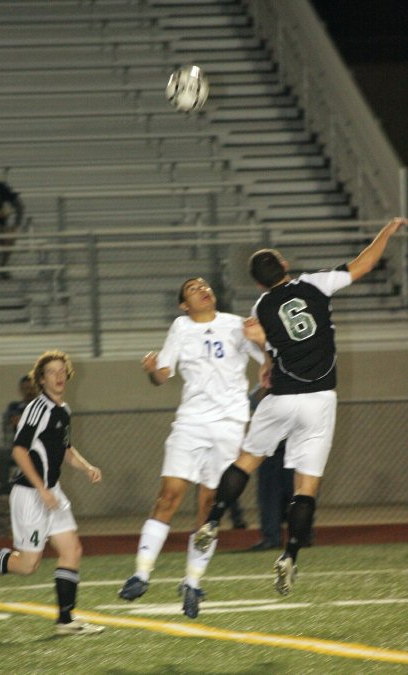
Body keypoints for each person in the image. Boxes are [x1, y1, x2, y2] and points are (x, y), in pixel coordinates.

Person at [194, 217, 406, 595]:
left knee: (247, 460)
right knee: (305, 487)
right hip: (319, 400)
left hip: (280, 398)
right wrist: (386, 232)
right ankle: (290, 556)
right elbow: (364, 264)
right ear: (285, 266)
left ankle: (211, 521)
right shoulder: (314, 283)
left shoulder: (261, 306)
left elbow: (256, 334)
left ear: (259, 282)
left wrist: (267, 361)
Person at [118, 277, 264, 618]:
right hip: (192, 422)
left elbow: (266, 357)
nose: (203, 289)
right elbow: (162, 376)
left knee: (210, 507)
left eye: (205, 285)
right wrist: (153, 371)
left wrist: (264, 342)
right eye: (193, 288)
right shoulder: (181, 327)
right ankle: (141, 573)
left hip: (229, 424)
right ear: (184, 304)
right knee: (168, 496)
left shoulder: (235, 324)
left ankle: (192, 581)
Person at [0, 350, 104, 636]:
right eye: (52, 372)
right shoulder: (37, 408)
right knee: (27, 565)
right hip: (30, 494)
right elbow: (19, 450)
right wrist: (41, 490)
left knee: (72, 550)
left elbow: (64, 450)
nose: (59, 376)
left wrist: (86, 467)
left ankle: (66, 621)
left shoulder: (63, 410)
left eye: (62, 370)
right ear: (41, 379)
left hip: (52, 492)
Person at [248, 385, 294, 551]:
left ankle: (301, 536)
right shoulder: (267, 382)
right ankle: (271, 537)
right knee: (269, 496)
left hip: (294, 447)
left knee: (296, 493)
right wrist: (268, 385)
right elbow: (252, 401)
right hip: (270, 450)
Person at [0, 374, 37, 495]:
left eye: (31, 388)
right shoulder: (14, 406)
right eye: (25, 388)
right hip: (18, 449)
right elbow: (12, 421)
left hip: (37, 450)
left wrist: (22, 420)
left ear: (36, 388)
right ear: (21, 390)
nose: (28, 391)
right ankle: (2, 486)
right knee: (1, 453)